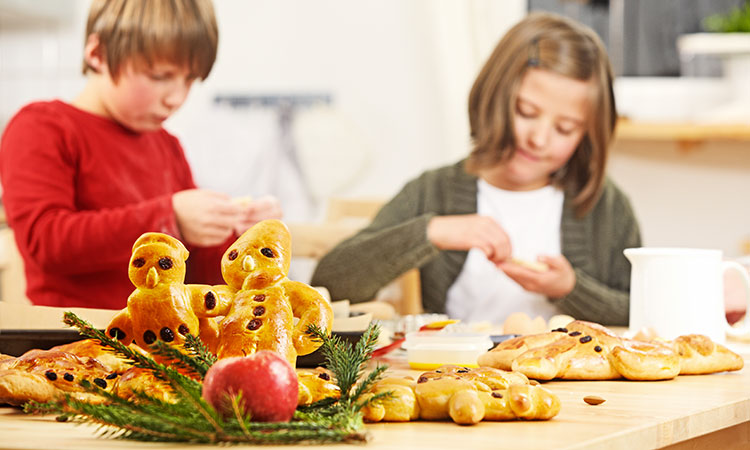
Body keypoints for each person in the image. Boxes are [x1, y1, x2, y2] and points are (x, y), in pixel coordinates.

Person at [311, 12, 641, 326]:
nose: (539, 138)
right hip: (457, 379)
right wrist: (431, 232)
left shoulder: (604, 207)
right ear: (494, 98)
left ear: (586, 135)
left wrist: (570, 289)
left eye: (565, 128)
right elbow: (330, 283)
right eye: (525, 112)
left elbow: (644, 310)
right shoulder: (434, 191)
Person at [0, 0, 281, 310]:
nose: (176, 98)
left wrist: (239, 240)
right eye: (160, 76)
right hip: (76, 342)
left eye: (190, 79)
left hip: (163, 342)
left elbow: (196, 272)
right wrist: (168, 219)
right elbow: (46, 241)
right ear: (98, 53)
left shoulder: (167, 145)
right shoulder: (42, 127)